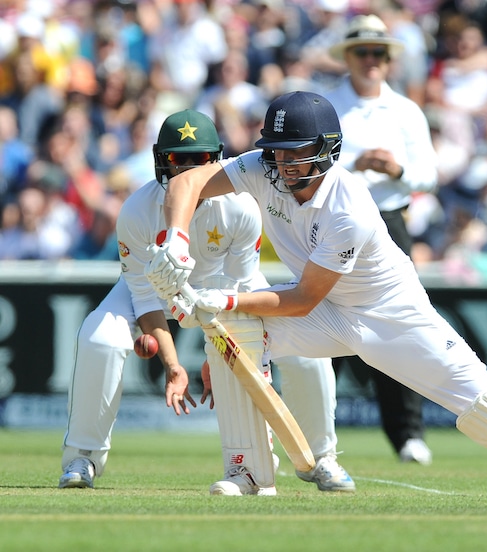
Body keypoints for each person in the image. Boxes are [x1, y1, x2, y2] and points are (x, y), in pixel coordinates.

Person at [147, 91, 487, 498]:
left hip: (390, 316)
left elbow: (302, 298)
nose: (279, 164)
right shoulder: (262, 168)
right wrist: (177, 238)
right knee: (232, 337)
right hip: (330, 313)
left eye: (294, 154)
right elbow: (187, 183)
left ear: (326, 152)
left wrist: (225, 299)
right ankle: (249, 474)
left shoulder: (349, 207)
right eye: (274, 150)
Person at [58, 108, 355, 495]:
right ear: (160, 160)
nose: (186, 171)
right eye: (177, 160)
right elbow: (145, 296)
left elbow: (241, 286)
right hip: (154, 290)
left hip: (224, 292)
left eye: (198, 161)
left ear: (214, 160)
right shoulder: (135, 210)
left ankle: (322, 457)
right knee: (100, 338)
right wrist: (173, 365)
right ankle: (83, 456)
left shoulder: (241, 206)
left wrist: (221, 351)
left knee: (306, 350)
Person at [323, 14, 437, 465]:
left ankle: (408, 433)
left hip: (389, 219)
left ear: (388, 61)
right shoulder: (328, 105)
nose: (371, 60)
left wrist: (395, 170)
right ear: (348, 57)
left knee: (397, 326)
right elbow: (309, 164)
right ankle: (310, 435)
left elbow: (428, 173)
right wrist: (357, 165)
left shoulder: (406, 111)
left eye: (378, 53)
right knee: (320, 321)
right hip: (335, 218)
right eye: (362, 52)